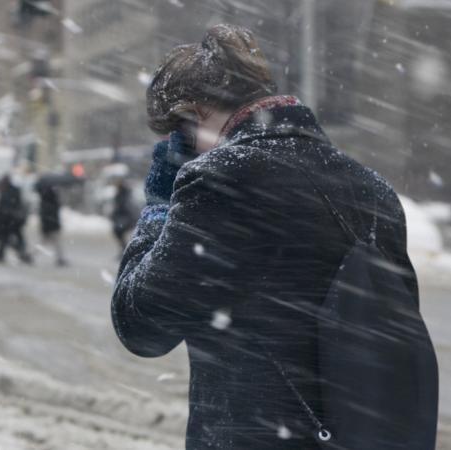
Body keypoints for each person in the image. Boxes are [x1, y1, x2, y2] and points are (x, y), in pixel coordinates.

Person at [112, 24, 423, 449]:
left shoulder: (223, 180)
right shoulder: (373, 190)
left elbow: (140, 325)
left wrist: (158, 203)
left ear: (194, 116)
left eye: (175, 134)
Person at [0, 175, 32, 264]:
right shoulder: (13, 190)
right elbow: (17, 203)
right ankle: (20, 253)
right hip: (13, 220)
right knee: (13, 238)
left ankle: (4, 254)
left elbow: (3, 206)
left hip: (7, 220)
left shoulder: (6, 191)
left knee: (5, 238)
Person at [36, 182, 67, 266]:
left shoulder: (45, 201)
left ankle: (60, 258)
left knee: (45, 243)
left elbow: (45, 216)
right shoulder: (51, 202)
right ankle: (60, 258)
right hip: (52, 226)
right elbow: (50, 215)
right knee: (53, 243)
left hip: (49, 226)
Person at [109, 179, 134, 252]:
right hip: (122, 218)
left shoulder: (124, 195)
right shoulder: (121, 194)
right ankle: (125, 249)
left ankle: (126, 250)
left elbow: (124, 207)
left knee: (119, 232)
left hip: (125, 218)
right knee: (119, 233)